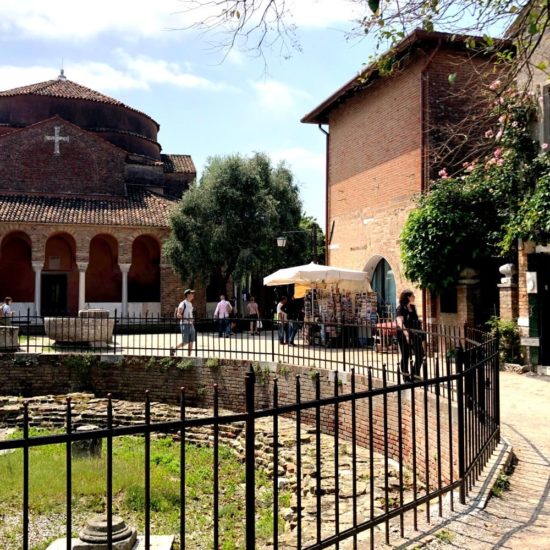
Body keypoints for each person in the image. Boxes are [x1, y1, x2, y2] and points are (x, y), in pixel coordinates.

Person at [396, 290, 424, 382]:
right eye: (413, 295)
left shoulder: (413, 307)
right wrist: (406, 334)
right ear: (408, 297)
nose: (414, 297)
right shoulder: (400, 308)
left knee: (420, 354)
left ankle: (415, 375)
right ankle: (406, 376)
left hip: (415, 334)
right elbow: (400, 322)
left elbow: (415, 319)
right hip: (403, 334)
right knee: (406, 355)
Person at [171, 289, 195, 356]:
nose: (193, 295)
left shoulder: (190, 304)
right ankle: (174, 349)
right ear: (188, 295)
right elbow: (178, 314)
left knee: (191, 341)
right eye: (191, 293)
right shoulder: (183, 303)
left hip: (191, 324)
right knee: (185, 342)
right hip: (185, 324)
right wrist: (187, 319)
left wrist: (192, 320)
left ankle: (189, 356)